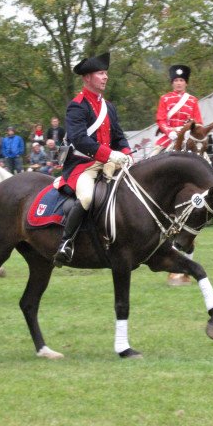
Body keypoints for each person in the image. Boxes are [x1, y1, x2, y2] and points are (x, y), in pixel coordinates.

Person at [53, 52, 131, 266]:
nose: (105, 77)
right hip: (83, 165)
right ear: (87, 78)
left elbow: (118, 137)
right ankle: (66, 243)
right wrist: (109, 154)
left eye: (106, 73)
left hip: (109, 162)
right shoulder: (77, 106)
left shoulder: (109, 107)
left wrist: (127, 154)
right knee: (86, 198)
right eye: (100, 73)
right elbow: (79, 140)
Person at [152, 64, 203, 155]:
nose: (179, 83)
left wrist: (190, 132)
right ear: (172, 83)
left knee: (204, 160)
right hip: (169, 137)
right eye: (176, 80)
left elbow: (199, 122)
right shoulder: (164, 99)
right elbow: (161, 120)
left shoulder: (193, 100)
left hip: (188, 137)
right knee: (153, 156)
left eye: (181, 80)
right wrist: (169, 132)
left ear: (186, 83)